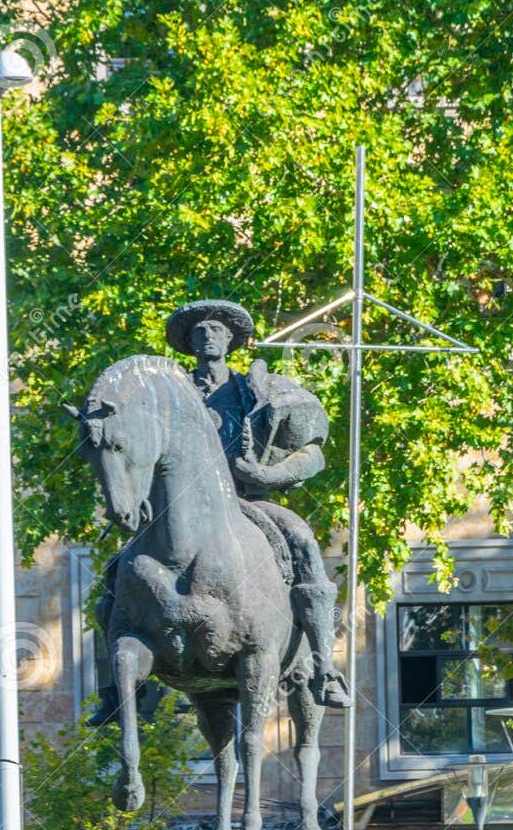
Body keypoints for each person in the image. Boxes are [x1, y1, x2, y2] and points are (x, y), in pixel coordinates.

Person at [87, 299, 350, 724]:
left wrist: (265, 473)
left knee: (302, 541)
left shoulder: (257, 391)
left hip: (249, 501)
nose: (206, 335)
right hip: (177, 512)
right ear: (188, 344)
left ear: (231, 339)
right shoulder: (167, 396)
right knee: (116, 576)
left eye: (216, 329)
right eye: (198, 331)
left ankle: (324, 667)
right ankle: (118, 692)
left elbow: (312, 454)